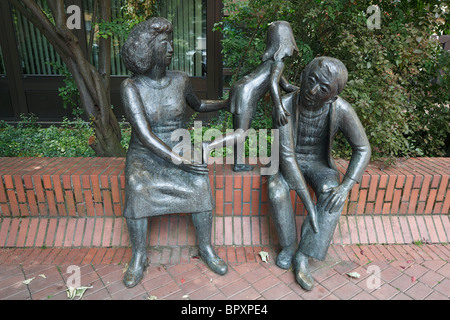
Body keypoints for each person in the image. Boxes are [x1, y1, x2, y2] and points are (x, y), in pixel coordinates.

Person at [120, 17, 229, 288]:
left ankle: (205, 248)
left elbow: (200, 105)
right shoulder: (131, 87)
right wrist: (181, 162)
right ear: (147, 48)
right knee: (137, 185)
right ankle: (139, 256)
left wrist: (228, 102)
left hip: (180, 147)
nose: (171, 48)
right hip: (146, 156)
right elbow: (145, 136)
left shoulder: (180, 80)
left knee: (200, 182)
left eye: (171, 42)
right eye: (164, 43)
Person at [268, 57, 371, 290]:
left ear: (333, 96)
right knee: (276, 191)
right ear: (303, 75)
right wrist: (307, 203)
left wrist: (346, 186)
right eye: (311, 80)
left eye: (323, 89)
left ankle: (303, 254)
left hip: (319, 164)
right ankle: (287, 246)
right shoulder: (283, 104)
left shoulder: (341, 109)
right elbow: (286, 156)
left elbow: (363, 148)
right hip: (287, 162)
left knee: (332, 195)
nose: (312, 91)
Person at [203, 21, 300, 171]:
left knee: (240, 132)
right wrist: (279, 107)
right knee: (241, 134)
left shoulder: (270, 62)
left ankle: (238, 163)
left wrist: (302, 90)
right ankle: (207, 146)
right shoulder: (278, 64)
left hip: (240, 89)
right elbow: (274, 84)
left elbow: (286, 86)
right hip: (246, 95)